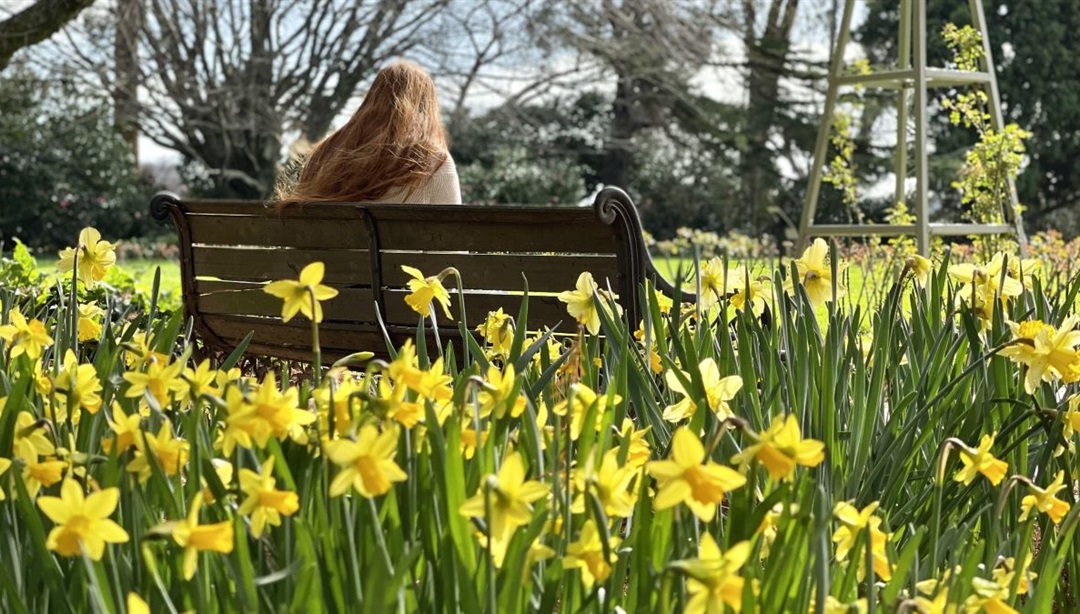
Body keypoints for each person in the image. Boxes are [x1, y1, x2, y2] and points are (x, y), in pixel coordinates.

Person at [276, 60, 461, 205]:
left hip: (326, 255)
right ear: (426, 106)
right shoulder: (434, 159)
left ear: (371, 98)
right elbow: (453, 245)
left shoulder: (327, 150)